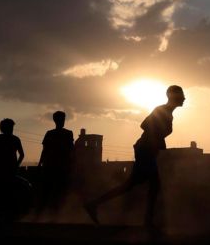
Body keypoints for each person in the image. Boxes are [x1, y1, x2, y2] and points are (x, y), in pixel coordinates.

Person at [85, 85, 185, 229]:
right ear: (174, 96)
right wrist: (157, 138)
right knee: (151, 184)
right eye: (181, 95)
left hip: (147, 151)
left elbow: (157, 132)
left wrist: (159, 142)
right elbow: (144, 125)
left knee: (140, 185)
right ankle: (147, 221)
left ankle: (94, 204)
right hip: (145, 151)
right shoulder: (162, 110)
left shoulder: (168, 112)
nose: (184, 98)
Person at [38, 111, 74, 212]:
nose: (62, 121)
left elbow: (44, 150)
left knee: (54, 191)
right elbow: (45, 150)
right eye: (61, 119)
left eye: (62, 119)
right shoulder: (66, 134)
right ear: (56, 120)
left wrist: (40, 164)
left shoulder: (52, 134)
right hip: (56, 167)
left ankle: (52, 212)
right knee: (55, 190)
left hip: (57, 166)